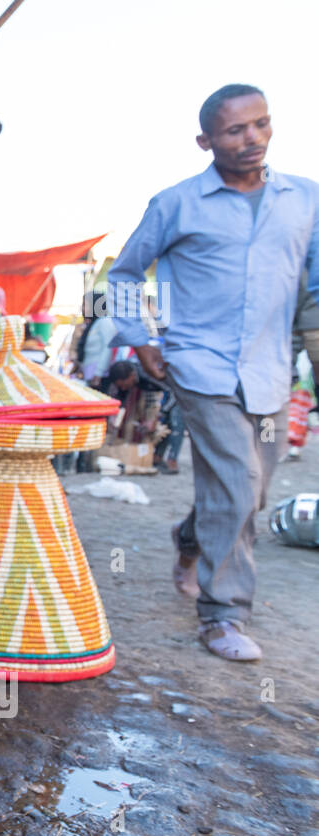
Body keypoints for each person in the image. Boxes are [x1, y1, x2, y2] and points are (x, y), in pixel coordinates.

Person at [108, 83, 319, 662]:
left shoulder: (306, 199)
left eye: (261, 124)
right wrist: (141, 339)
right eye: (234, 130)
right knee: (236, 480)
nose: (251, 138)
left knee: (251, 487)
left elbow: (317, 287)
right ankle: (224, 615)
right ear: (206, 140)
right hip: (198, 363)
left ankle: (190, 537)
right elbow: (123, 275)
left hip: (272, 366)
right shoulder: (176, 203)